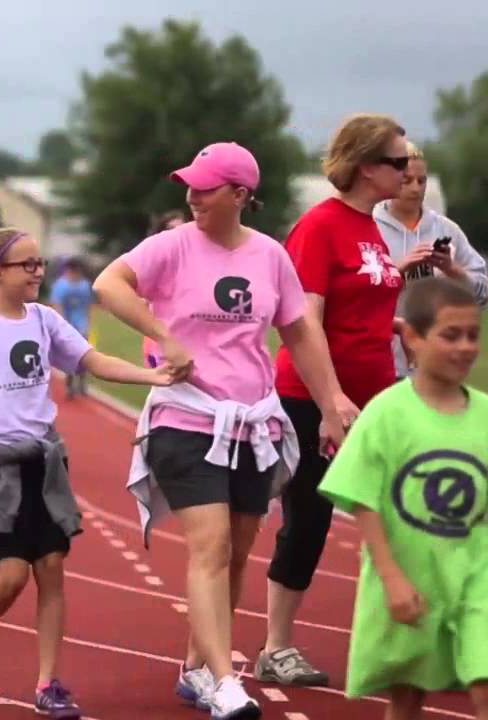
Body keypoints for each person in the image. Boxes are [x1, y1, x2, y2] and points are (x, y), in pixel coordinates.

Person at [95, 141, 355, 720]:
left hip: (252, 424)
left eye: (205, 187)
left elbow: (300, 333)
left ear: (239, 194)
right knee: (209, 546)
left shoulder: (269, 256)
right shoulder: (170, 246)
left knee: (237, 554)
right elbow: (108, 285)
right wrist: (163, 335)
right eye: (189, 185)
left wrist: (331, 401)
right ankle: (222, 677)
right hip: (185, 417)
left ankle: (195, 669)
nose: (192, 196)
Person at [0, 227, 176, 719]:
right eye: (27, 265)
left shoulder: (44, 320)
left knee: (51, 571)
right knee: (12, 576)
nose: (38, 272)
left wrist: (152, 374)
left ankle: (47, 683)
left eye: (40, 262)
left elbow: (91, 360)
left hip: (46, 462)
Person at [262, 113, 411, 687]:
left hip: (377, 397)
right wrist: (329, 404)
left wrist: (400, 330)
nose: (408, 172)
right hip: (313, 399)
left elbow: (359, 307)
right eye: (398, 162)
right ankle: (276, 646)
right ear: (367, 166)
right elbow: (306, 323)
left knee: (404, 510)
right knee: (310, 518)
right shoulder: (320, 227)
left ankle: (407, 634)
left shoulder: (371, 227)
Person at [317, 276, 487, 720]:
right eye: (450, 335)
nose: (465, 347)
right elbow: (362, 495)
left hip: (477, 575)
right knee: (408, 694)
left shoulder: (485, 414)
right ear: (412, 337)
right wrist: (391, 576)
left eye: (473, 335)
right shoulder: (388, 412)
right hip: (411, 573)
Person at [374, 140, 488, 378]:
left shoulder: (447, 230)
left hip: (433, 366)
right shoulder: (369, 225)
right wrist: (398, 270)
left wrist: (453, 270)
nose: (416, 188)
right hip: (378, 362)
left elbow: (482, 292)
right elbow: (351, 296)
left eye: (422, 180)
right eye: (407, 181)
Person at [142, 211, 187, 368]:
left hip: (190, 341)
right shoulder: (154, 263)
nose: (176, 234)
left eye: (181, 229)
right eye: (171, 229)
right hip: (160, 340)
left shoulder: (196, 264)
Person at [48, 257, 95, 398]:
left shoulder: (85, 285)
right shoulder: (60, 286)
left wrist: (88, 322)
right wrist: (62, 326)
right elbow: (57, 305)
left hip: (82, 325)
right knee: (69, 356)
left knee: (85, 355)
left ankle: (82, 384)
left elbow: (88, 304)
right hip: (68, 325)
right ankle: (70, 386)